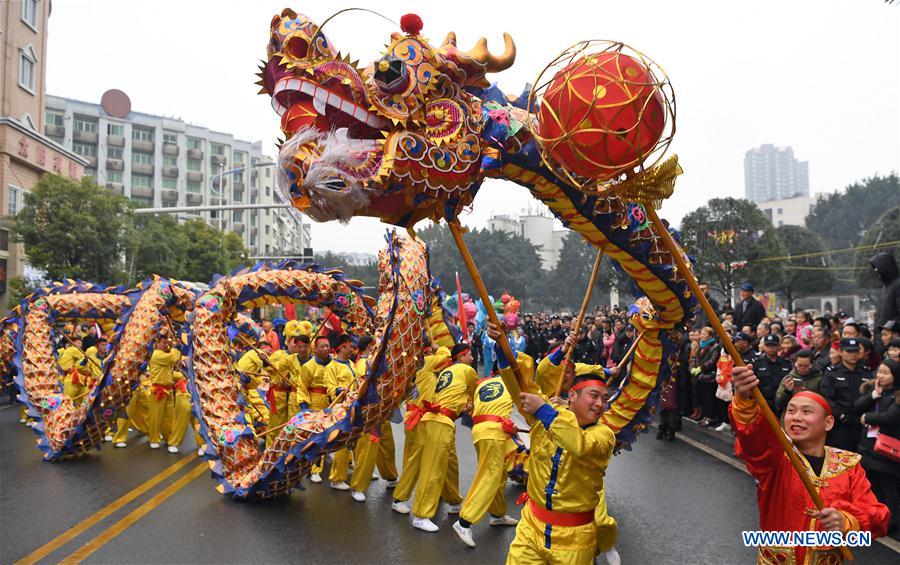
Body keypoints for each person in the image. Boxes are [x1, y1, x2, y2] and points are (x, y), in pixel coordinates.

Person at [729, 365, 890, 564]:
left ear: (828, 423)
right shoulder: (776, 457)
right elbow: (755, 439)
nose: (796, 417)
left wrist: (847, 521)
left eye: (806, 411)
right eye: (791, 411)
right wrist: (743, 399)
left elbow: (878, 516)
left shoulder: (848, 465)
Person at [506, 374, 616, 564]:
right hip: (530, 527)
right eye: (594, 395)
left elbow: (580, 445)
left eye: (605, 398)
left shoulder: (604, 435)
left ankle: (606, 544)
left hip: (575, 540)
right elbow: (520, 384)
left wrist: (543, 411)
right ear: (572, 395)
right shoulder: (549, 415)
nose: (600, 404)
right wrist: (502, 356)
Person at [408, 343, 477, 532]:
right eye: (469, 355)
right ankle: (421, 515)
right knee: (433, 468)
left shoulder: (447, 372)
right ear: (460, 357)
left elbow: (456, 399)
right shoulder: (466, 370)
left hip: (438, 420)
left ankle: (454, 501)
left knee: (449, 465)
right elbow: (476, 393)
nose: (472, 358)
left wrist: (465, 407)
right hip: (440, 422)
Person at [452, 361, 520, 547]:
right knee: (490, 475)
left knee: (498, 474)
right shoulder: (510, 383)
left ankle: (497, 514)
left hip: (480, 430)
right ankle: (464, 521)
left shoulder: (483, 383)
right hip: (494, 432)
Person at [853, 359, 900, 533]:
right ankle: (875, 519)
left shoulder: (897, 395)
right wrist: (874, 394)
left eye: (886, 373)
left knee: (888, 488)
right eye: (879, 372)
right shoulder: (875, 391)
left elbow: (892, 417)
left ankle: (891, 521)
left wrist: (868, 417)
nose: (881, 376)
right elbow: (856, 407)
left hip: (887, 451)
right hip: (869, 448)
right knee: (872, 487)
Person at [820, 338, 872, 451]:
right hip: (841, 426)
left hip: (862, 424)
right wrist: (840, 415)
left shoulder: (866, 372)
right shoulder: (832, 374)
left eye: (856, 351)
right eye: (849, 351)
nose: (853, 354)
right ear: (840, 352)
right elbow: (826, 397)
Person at [323, 334, 358, 491]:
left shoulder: (351, 363)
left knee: (355, 440)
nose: (352, 349)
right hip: (341, 409)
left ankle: (355, 468)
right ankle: (336, 478)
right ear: (342, 347)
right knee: (342, 443)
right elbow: (329, 387)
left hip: (354, 406)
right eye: (350, 346)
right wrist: (338, 390)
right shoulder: (331, 366)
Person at [301, 335, 333, 483]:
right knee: (317, 436)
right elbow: (303, 387)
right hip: (316, 402)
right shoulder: (308, 366)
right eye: (322, 346)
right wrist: (304, 406)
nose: (325, 349)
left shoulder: (336, 363)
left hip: (334, 402)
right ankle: (314, 469)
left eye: (327, 346)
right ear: (315, 349)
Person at [146, 336, 183, 451]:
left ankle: (169, 439)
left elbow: (169, 372)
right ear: (156, 344)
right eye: (163, 343)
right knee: (156, 417)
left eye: (167, 342)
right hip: (158, 390)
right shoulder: (156, 354)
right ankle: (154, 439)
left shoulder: (163, 354)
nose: (166, 345)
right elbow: (172, 358)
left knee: (170, 417)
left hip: (169, 390)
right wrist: (176, 347)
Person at [752, 334, 792, 414]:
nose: (771, 348)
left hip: (782, 404)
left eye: (773, 345)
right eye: (768, 345)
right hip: (763, 405)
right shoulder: (757, 364)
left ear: (778, 346)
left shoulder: (786, 364)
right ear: (764, 346)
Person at [774, 349, 823, 414]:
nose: (802, 368)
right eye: (800, 365)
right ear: (795, 364)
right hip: (792, 414)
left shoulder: (819, 379)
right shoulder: (788, 379)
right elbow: (778, 404)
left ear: (811, 365)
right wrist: (787, 391)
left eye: (806, 366)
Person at [870, 252, 900, 353]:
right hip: (881, 340)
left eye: (877, 267)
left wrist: (891, 330)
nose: (875, 270)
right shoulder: (886, 287)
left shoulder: (898, 285)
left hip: (892, 342)